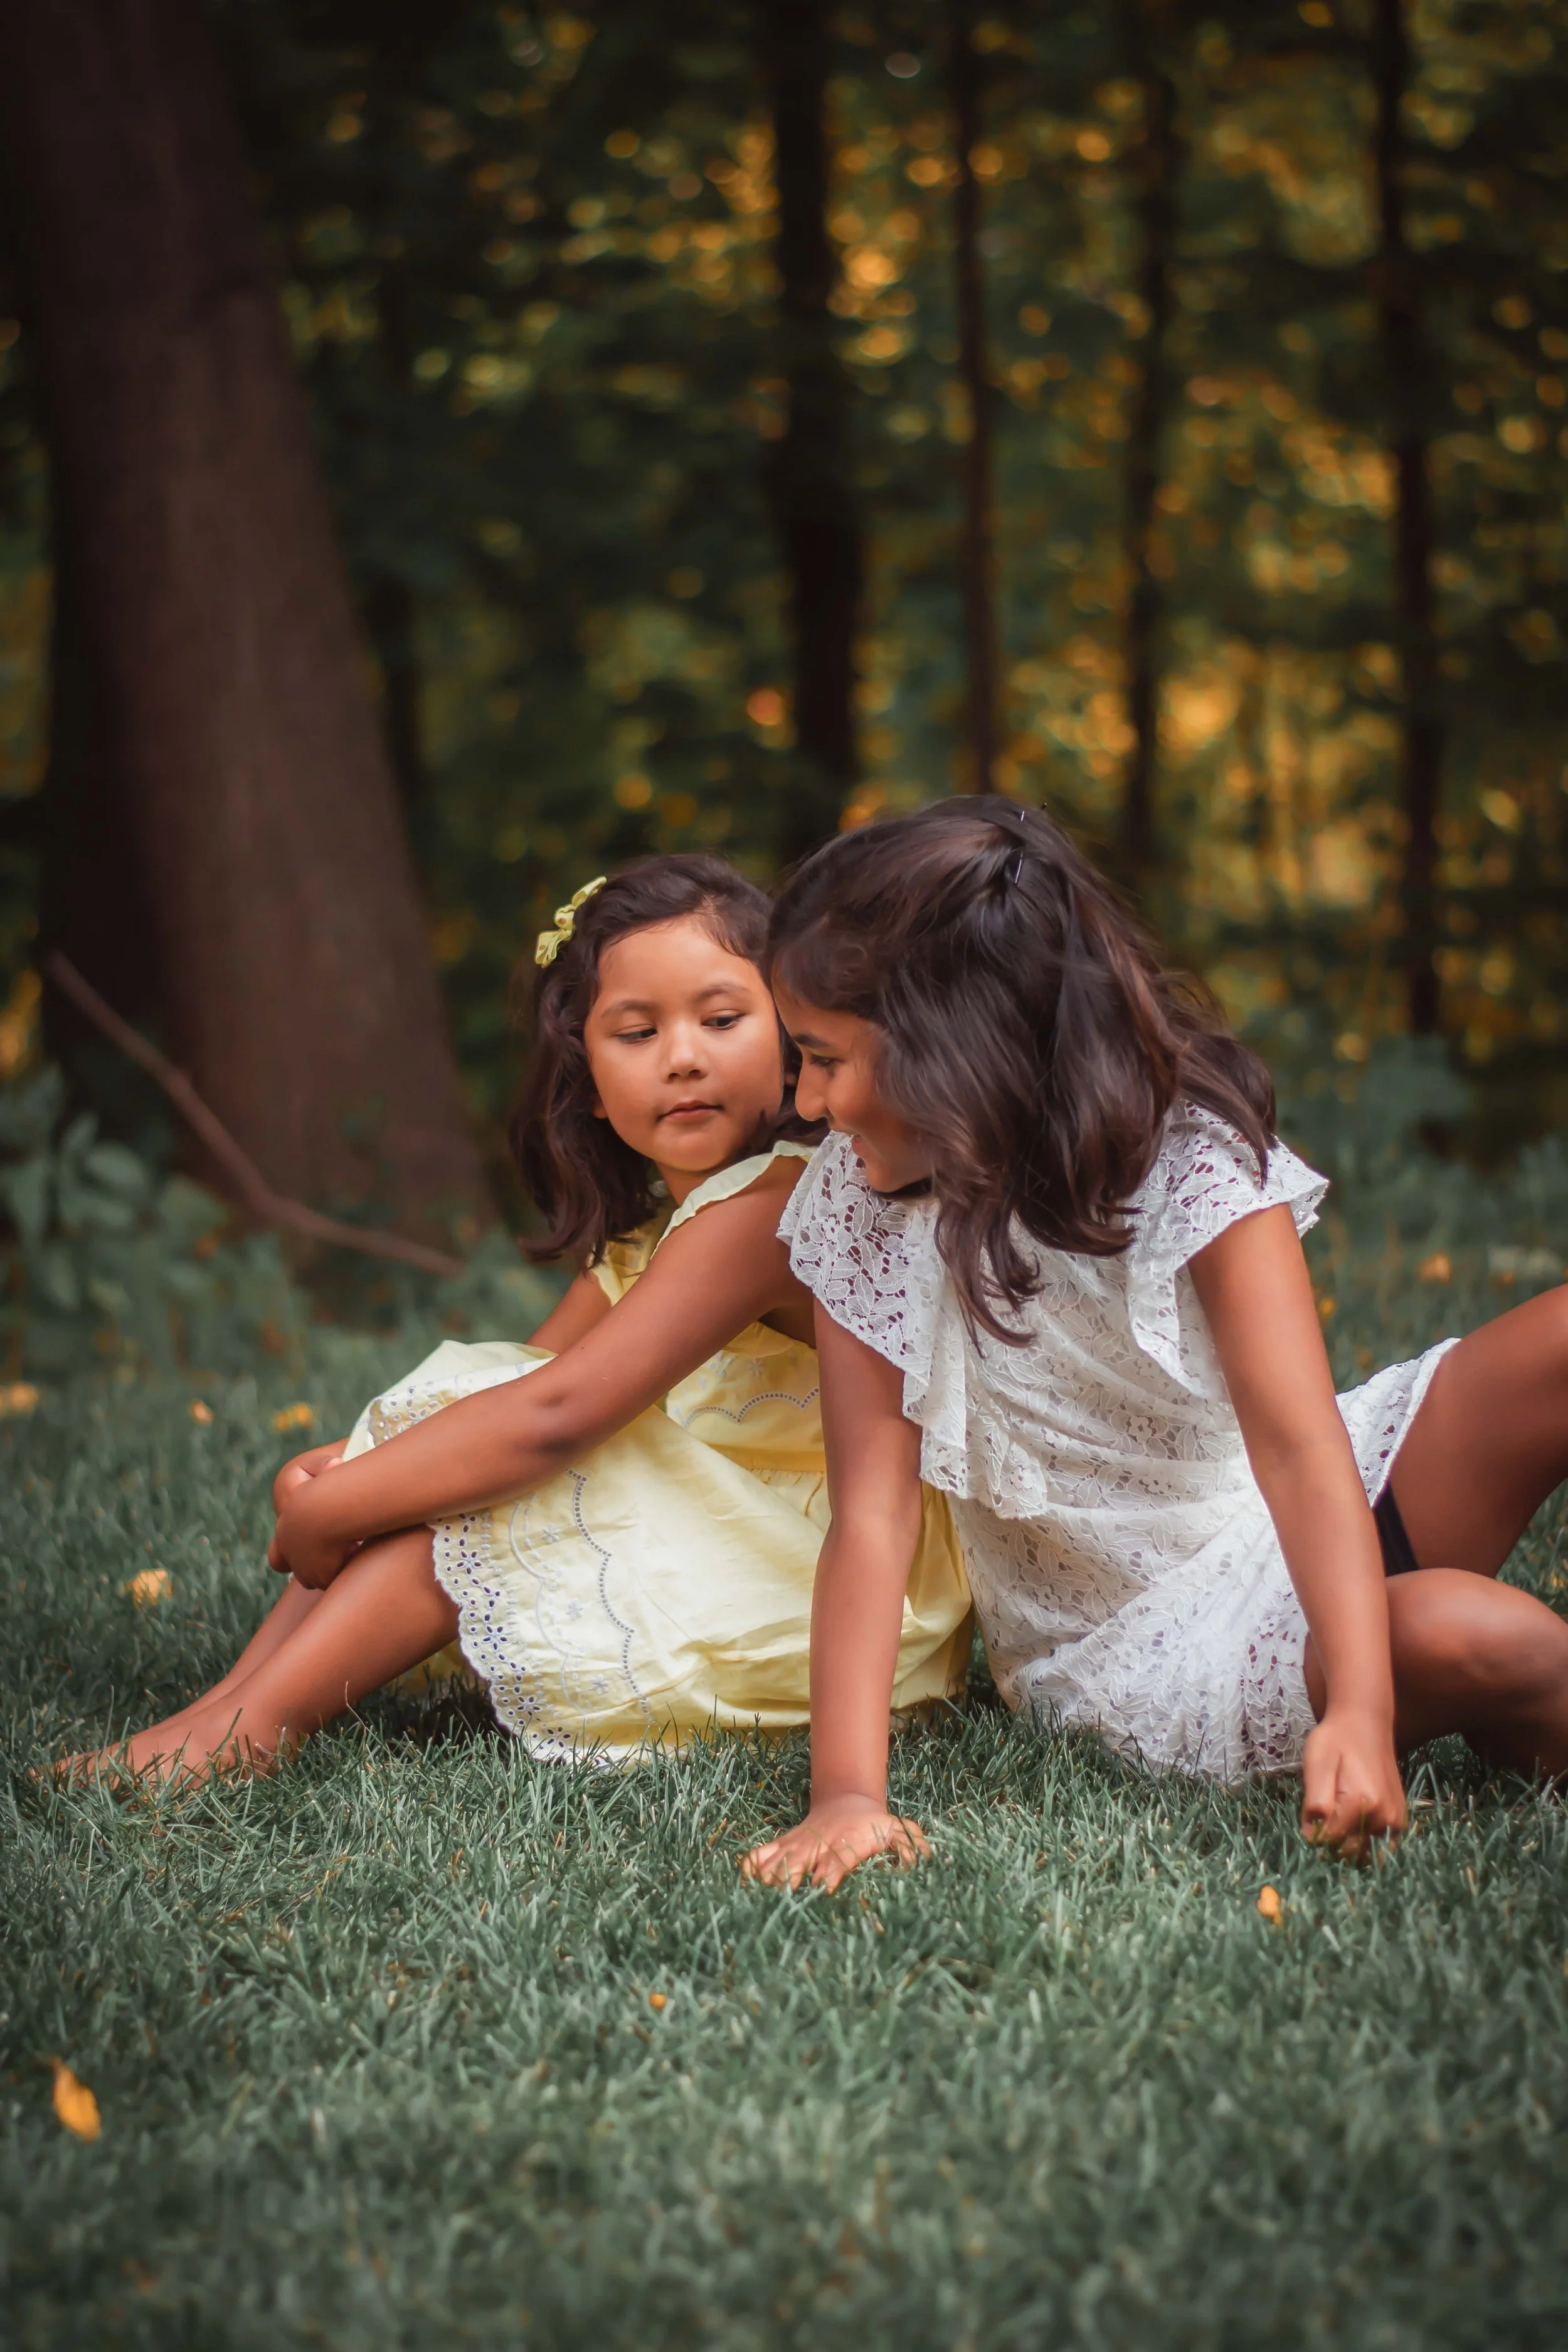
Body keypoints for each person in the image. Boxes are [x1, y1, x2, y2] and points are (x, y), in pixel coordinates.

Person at [743, 798, 1568, 1890]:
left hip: (1286, 1504)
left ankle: (1423, 1688)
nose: (803, 1098)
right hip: (1140, 1643)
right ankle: (1515, 1703)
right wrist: (847, 1796)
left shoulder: (1191, 1144)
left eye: (824, 1057)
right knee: (1490, 1636)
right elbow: (875, 1515)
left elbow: (1296, 1444)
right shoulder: (862, 1209)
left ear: (955, 1044)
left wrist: (1361, 1711)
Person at [63, 856, 970, 1786]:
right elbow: (510, 1386)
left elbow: (551, 1416)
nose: (685, 1054)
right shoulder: (646, 1240)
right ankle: (226, 1711)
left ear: (791, 1043)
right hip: (736, 1557)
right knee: (466, 1457)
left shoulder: (774, 1209)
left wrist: (338, 1504)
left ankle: (249, 1726)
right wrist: (362, 1459)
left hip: (823, 1602)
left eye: (723, 1018)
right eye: (638, 1030)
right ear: (585, 1078)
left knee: (505, 1476)